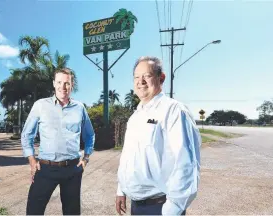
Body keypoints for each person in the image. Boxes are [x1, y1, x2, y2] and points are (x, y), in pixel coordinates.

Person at [115, 56, 201, 216]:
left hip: (161, 207)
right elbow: (127, 156)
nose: (140, 81)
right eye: (136, 77)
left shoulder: (174, 111)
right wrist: (121, 190)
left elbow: (186, 165)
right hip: (137, 206)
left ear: (161, 78)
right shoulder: (135, 117)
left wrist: (173, 209)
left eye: (146, 76)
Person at [21, 68, 95, 215]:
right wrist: (31, 159)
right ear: (54, 84)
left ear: (71, 85)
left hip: (72, 169)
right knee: (33, 211)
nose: (63, 87)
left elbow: (90, 135)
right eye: (59, 82)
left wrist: (86, 158)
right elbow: (27, 134)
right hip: (45, 168)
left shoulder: (79, 108)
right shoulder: (40, 105)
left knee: (72, 212)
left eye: (67, 83)